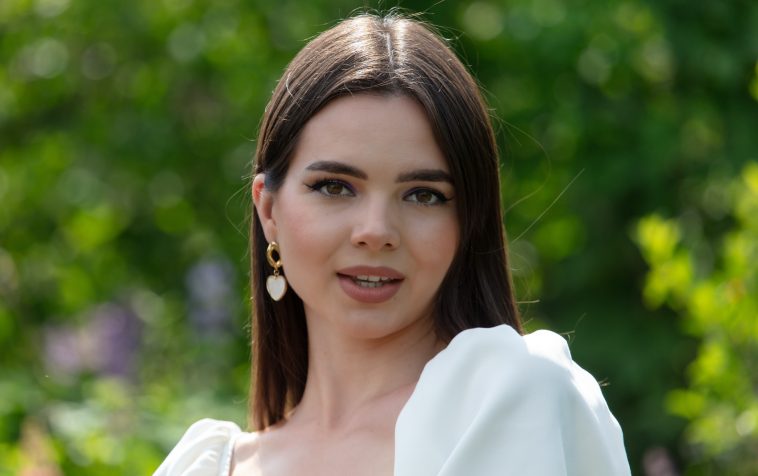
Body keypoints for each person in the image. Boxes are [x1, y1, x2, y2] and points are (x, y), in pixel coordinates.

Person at [154, 12, 631, 476]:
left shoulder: (513, 399)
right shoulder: (207, 465)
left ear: (467, 222)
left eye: (423, 195)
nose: (377, 230)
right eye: (336, 186)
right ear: (269, 210)